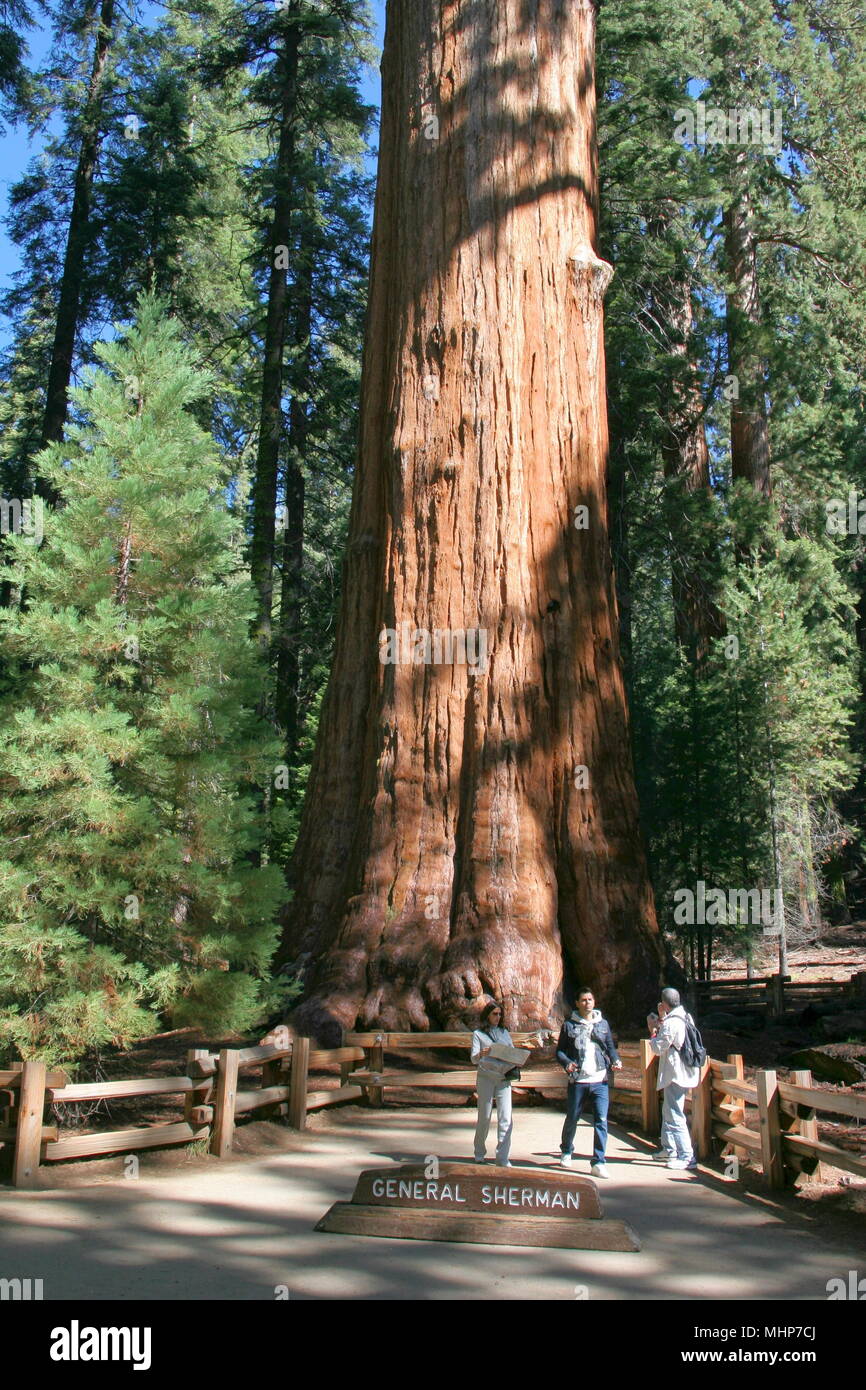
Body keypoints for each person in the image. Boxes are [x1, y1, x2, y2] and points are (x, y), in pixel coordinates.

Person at [556, 987, 622, 1178]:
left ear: (594, 1002)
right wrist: (567, 1063)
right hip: (578, 1080)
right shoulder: (569, 1025)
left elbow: (610, 1047)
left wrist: (615, 1060)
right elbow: (560, 1051)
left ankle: (599, 1161)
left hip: (599, 1079)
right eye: (583, 1000)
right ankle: (567, 1150)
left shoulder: (603, 1024)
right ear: (577, 1003)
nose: (587, 1003)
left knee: (601, 1120)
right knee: (573, 1117)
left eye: (590, 999)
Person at [647, 986, 701, 1170]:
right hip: (685, 1071)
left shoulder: (672, 1022)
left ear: (664, 1003)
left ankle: (687, 1156)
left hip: (675, 1074)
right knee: (668, 1110)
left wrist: (652, 1030)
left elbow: (658, 1047)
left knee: (675, 1113)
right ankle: (669, 1149)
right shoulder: (685, 1016)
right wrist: (662, 1018)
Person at [471, 1000, 515, 1166]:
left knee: (505, 1117)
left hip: (503, 1077)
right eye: (494, 1014)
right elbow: (473, 1058)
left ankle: (502, 1157)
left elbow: (512, 1051)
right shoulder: (478, 1034)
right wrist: (481, 1054)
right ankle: (479, 1152)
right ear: (487, 1015)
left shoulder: (504, 1033)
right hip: (486, 1077)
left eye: (499, 1014)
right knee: (485, 1116)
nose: (497, 1017)